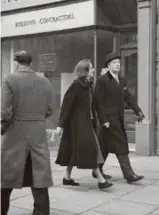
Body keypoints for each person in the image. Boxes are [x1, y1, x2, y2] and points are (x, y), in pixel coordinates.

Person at [1, 50, 53, 215]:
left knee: (7, 175)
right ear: (30, 63)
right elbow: (49, 109)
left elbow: (5, 112)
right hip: (38, 132)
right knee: (39, 175)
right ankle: (41, 212)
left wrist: (3, 128)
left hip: (16, 132)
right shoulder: (44, 81)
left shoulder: (9, 79)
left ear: (16, 62)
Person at [55, 59, 113, 190]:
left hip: (89, 124)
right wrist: (60, 125)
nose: (93, 70)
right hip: (78, 125)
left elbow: (97, 105)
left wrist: (103, 120)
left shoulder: (89, 85)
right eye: (91, 68)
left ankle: (67, 178)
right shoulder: (76, 85)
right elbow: (66, 106)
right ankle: (101, 179)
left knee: (73, 151)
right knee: (92, 149)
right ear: (85, 71)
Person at [93, 52, 145, 183]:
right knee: (121, 144)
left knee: (104, 147)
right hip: (109, 120)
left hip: (118, 118)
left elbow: (128, 98)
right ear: (109, 66)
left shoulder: (122, 80)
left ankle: (97, 170)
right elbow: (98, 102)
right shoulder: (102, 80)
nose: (117, 65)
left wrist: (138, 111)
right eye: (114, 63)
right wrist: (103, 120)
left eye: (119, 63)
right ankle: (129, 175)